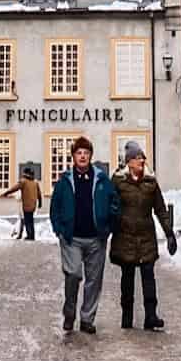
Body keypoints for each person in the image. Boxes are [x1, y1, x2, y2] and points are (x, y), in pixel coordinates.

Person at [48, 136, 119, 335]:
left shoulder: (101, 179)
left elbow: (114, 202)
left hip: (96, 238)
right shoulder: (65, 181)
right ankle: (69, 311)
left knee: (93, 281)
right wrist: (59, 229)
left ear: (90, 156)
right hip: (72, 238)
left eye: (86, 153)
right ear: (73, 156)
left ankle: (87, 318)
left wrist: (109, 226)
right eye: (79, 153)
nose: (82, 156)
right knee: (73, 275)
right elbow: (55, 207)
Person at [109, 141, 177, 331]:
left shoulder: (150, 182)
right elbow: (109, 207)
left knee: (149, 276)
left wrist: (169, 233)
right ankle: (127, 316)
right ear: (129, 161)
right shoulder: (118, 182)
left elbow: (161, 209)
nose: (142, 161)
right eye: (138, 158)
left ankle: (151, 316)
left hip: (146, 236)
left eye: (142, 158)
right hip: (125, 236)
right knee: (127, 278)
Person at [5, 167, 42, 240]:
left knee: (27, 220)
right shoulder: (35, 182)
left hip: (26, 205)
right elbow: (39, 194)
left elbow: (15, 188)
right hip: (33, 205)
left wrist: (6, 193)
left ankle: (29, 236)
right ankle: (32, 235)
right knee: (31, 220)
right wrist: (40, 203)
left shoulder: (23, 181)